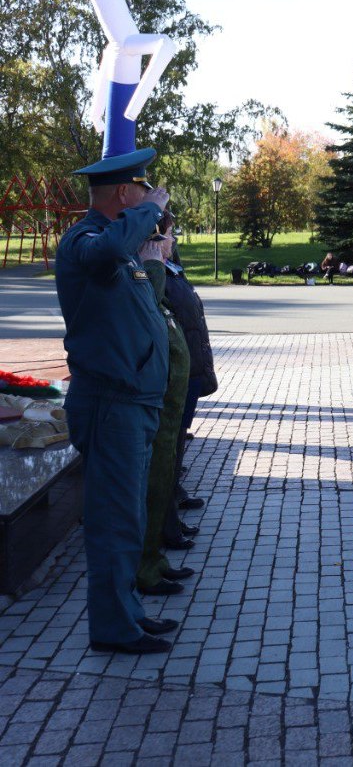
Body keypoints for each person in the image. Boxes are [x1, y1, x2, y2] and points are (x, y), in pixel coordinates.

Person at [54, 147, 177, 654]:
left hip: (132, 403)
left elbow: (140, 309)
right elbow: (106, 254)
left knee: (129, 517)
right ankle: (112, 628)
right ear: (125, 194)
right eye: (142, 192)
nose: (150, 200)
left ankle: (126, 612)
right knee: (112, 522)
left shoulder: (120, 251)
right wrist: (151, 210)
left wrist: (150, 261)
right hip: (111, 404)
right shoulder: (86, 241)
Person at [136, 213, 192, 597]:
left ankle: (154, 559)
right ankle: (146, 567)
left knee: (162, 483)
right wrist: (153, 265)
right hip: (154, 406)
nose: (170, 244)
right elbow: (150, 306)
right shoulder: (147, 275)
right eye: (166, 237)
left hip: (169, 410)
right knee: (152, 486)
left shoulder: (157, 272)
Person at [163, 245, 217, 513]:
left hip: (190, 364)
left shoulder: (172, 270)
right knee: (171, 434)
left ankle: (174, 491)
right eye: (170, 234)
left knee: (180, 432)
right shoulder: (154, 273)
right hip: (175, 368)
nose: (173, 241)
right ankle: (167, 502)